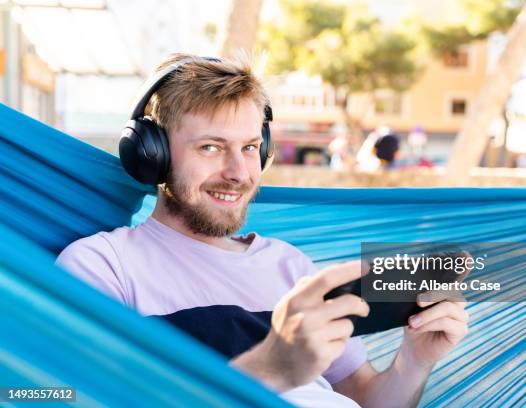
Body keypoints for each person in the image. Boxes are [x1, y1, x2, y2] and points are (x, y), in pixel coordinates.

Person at [55, 54, 469, 408]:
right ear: (152, 156)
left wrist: (414, 360)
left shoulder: (290, 266)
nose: (239, 173)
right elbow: (78, 395)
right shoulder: (103, 266)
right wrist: (271, 369)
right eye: (211, 147)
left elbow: (364, 395)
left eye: (250, 147)